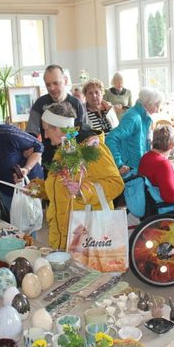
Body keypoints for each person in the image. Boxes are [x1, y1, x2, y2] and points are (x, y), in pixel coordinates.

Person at [29, 102, 123, 249]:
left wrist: (82, 191)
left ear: (59, 128)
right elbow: (60, 189)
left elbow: (116, 184)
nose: (45, 135)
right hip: (61, 237)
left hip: (87, 237)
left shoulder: (92, 148)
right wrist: (35, 189)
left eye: (46, 129)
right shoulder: (63, 150)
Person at [26, 65, 86, 166]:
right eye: (48, 85)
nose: (52, 88)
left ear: (65, 81)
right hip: (49, 160)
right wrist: (29, 146)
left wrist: (64, 138)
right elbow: (31, 132)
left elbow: (83, 131)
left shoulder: (77, 104)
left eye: (55, 83)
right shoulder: (39, 104)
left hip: (73, 160)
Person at [106, 88, 163, 175]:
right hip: (130, 170)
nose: (158, 110)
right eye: (156, 105)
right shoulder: (134, 117)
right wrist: (119, 164)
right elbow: (111, 138)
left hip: (137, 168)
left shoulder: (144, 117)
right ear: (147, 103)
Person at [138, 125, 174, 204]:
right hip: (162, 206)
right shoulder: (162, 163)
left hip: (149, 202)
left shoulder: (145, 157)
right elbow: (170, 196)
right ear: (171, 145)